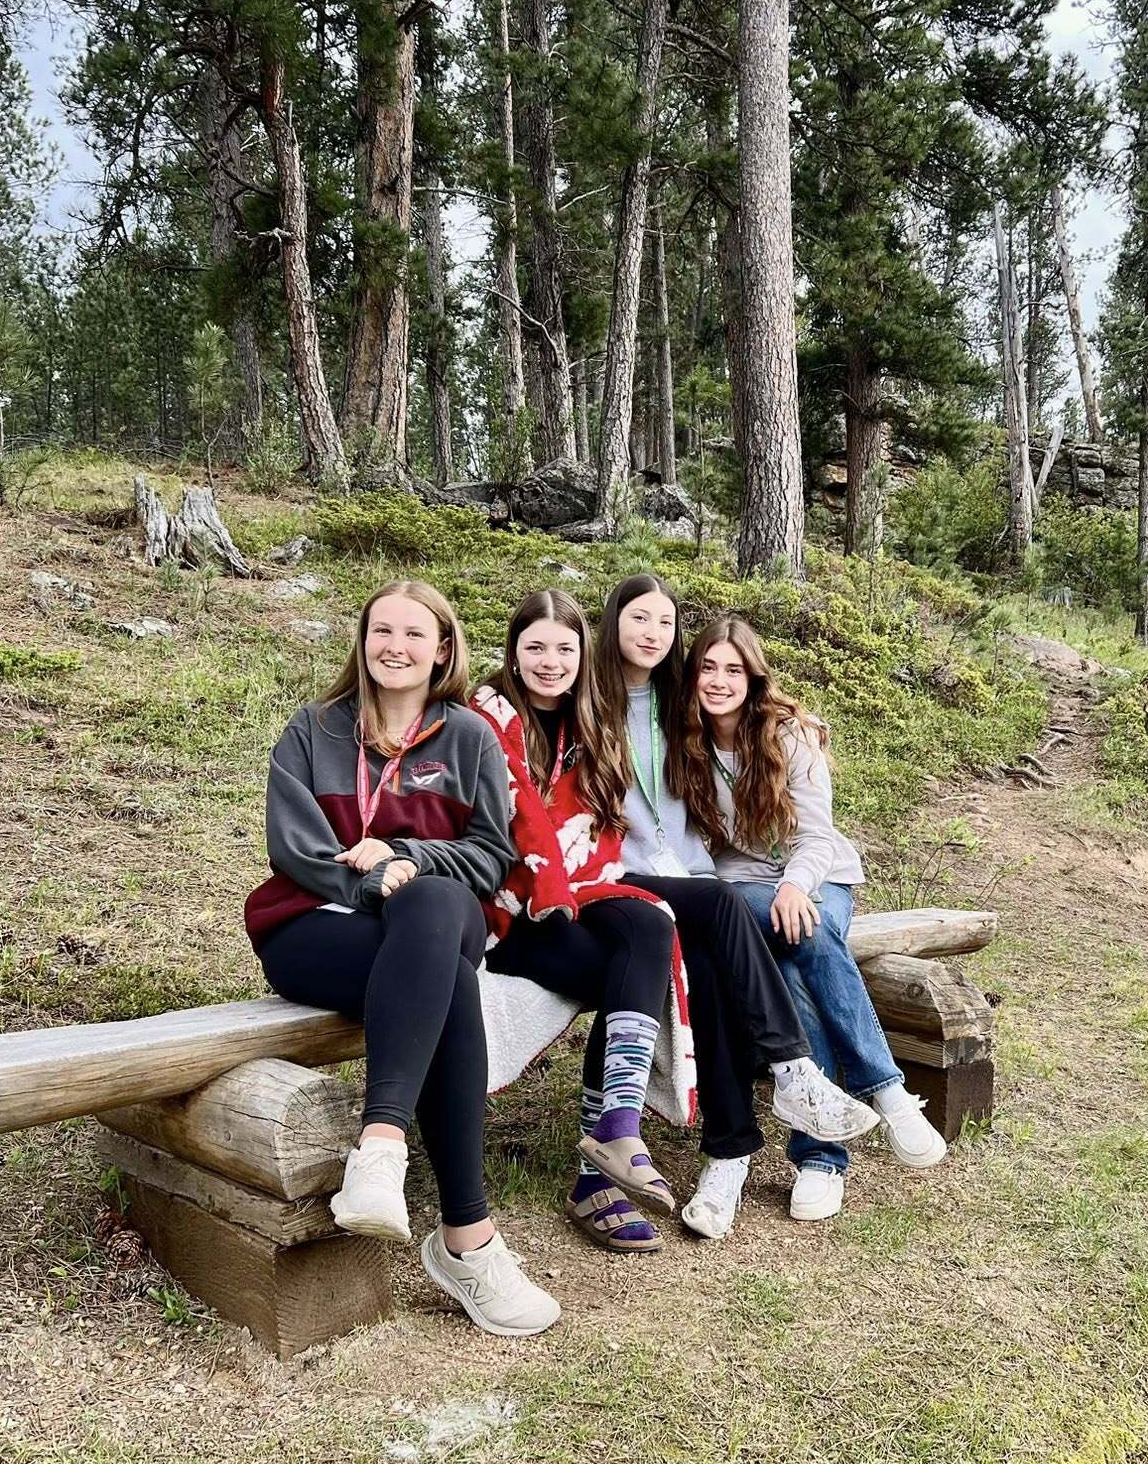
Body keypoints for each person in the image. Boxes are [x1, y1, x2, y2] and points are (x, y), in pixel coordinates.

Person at [243, 580, 559, 1338]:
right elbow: (293, 846)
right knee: (444, 974)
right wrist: (370, 883)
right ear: (363, 640)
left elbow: (490, 853)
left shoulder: (468, 738)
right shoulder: (313, 729)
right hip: (315, 931)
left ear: (442, 649)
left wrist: (407, 857)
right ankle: (467, 1244)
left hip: (423, 926)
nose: (396, 646)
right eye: (381, 629)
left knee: (435, 901)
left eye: (415, 634)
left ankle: (380, 1151)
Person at [594, 573, 879, 1240]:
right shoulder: (588, 700)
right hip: (629, 878)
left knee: (741, 960)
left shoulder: (678, 702)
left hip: (700, 878)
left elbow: (755, 752)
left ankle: (740, 1150)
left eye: (665, 624)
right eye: (638, 619)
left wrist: (790, 723)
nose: (651, 634)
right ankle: (794, 1080)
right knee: (731, 919)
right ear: (612, 626)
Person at [678, 615, 948, 1222]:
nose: (719, 681)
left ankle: (830, 1149)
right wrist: (765, 891)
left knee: (806, 940)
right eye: (708, 668)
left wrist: (797, 885)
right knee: (797, 946)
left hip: (820, 875)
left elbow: (818, 838)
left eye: (733, 669)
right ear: (691, 674)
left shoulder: (788, 736)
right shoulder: (682, 743)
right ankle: (879, 1101)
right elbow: (697, 849)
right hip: (736, 890)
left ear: (754, 677)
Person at [469, 590, 690, 1254]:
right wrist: (553, 889)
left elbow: (602, 836)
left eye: (565, 649)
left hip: (569, 895)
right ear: (513, 651)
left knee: (650, 931)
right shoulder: (488, 714)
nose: (550, 661)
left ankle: (616, 1132)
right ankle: (597, 1175)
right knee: (634, 972)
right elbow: (522, 817)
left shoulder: (585, 725)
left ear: (581, 655)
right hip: (504, 911)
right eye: (535, 646)